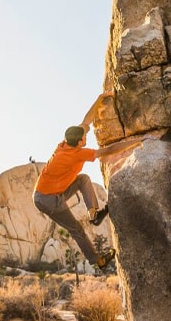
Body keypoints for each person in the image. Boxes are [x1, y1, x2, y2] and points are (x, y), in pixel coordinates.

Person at [32, 102, 114, 268]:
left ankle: (94, 215)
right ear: (79, 143)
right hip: (47, 200)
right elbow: (104, 152)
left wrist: (100, 99)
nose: (86, 137)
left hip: (49, 192)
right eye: (84, 138)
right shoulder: (74, 154)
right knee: (75, 228)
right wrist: (137, 142)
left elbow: (86, 121)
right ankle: (98, 261)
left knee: (82, 179)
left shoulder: (68, 141)